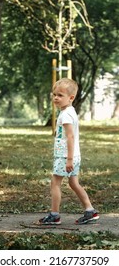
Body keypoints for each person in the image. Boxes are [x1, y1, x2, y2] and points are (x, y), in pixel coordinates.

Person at [39, 78, 99, 225]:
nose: (55, 98)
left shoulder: (66, 114)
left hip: (66, 156)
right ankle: (90, 210)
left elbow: (70, 137)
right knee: (73, 183)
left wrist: (69, 159)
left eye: (60, 95)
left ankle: (54, 215)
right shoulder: (70, 111)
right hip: (73, 155)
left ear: (71, 98)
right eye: (54, 94)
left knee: (55, 183)